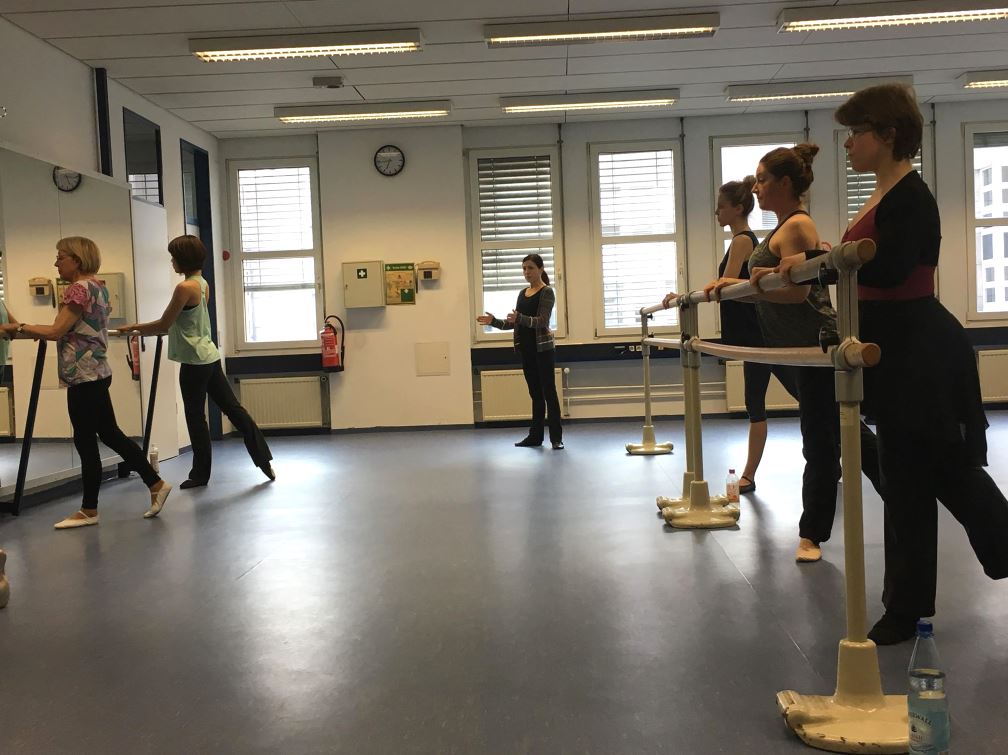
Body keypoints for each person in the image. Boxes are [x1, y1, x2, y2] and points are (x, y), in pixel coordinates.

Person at [776, 84, 1008, 643]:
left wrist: (817, 261)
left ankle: (905, 608)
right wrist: (818, 262)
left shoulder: (911, 198)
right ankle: (906, 606)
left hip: (918, 351)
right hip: (896, 349)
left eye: (856, 133)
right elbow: (861, 264)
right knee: (918, 477)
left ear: (887, 135)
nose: (848, 144)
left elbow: (887, 268)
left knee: (933, 473)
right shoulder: (884, 195)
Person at [707, 144, 881, 563]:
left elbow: (797, 293)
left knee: (822, 440)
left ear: (785, 183)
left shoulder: (798, 225)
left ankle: (813, 534)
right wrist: (737, 287)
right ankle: (899, 491)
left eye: (762, 180)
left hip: (817, 342)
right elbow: (778, 287)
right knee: (834, 433)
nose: (756, 188)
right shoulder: (783, 227)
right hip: (798, 346)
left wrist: (752, 287)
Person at [0, 237, 171, 528]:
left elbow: (56, 331)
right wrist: (23, 327)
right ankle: (154, 484)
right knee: (109, 434)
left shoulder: (79, 289)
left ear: (76, 260)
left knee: (86, 440)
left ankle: (90, 509)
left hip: (84, 374)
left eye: (60, 257)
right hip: (96, 372)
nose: (56, 263)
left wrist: (20, 326)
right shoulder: (98, 286)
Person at [119, 235, 274, 488]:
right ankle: (263, 460)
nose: (172, 262)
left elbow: (164, 324)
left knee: (195, 417)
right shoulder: (202, 284)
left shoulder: (184, 288)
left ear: (183, 259)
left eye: (173, 257)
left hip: (194, 361)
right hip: (208, 355)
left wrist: (134, 328)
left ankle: (200, 475)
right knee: (233, 409)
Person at [710, 176, 770, 494]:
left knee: (756, 403)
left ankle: (748, 475)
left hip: (760, 336)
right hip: (753, 336)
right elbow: (725, 285)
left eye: (721, 207)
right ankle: (749, 474)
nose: (716, 212)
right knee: (756, 402)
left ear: (737, 208)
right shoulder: (740, 240)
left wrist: (705, 290)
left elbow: (727, 283)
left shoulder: (742, 241)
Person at [476, 254, 563, 449]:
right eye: (524, 268)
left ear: (540, 269)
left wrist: (520, 318)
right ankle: (535, 437)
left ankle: (556, 438)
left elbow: (542, 321)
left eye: (530, 268)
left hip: (543, 350)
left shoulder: (547, 292)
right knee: (535, 395)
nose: (526, 272)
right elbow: (515, 322)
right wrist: (494, 322)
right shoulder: (523, 293)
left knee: (549, 393)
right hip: (527, 350)